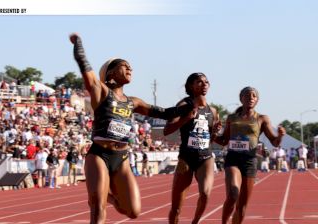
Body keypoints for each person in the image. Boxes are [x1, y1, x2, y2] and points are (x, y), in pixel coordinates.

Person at [70, 33, 194, 223]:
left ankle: (106, 196)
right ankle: (98, 196)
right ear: (110, 73)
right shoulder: (102, 92)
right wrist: (78, 46)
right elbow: (87, 73)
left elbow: (165, 113)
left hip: (122, 158)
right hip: (99, 155)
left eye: (131, 67)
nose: (130, 68)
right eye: (124, 65)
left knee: (132, 211)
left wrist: (189, 106)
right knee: (97, 210)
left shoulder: (133, 102)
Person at [214, 86, 286, 224]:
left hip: (249, 161)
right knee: (233, 195)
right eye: (247, 95)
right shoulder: (231, 118)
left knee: (242, 207)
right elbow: (223, 141)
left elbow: (275, 142)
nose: (250, 98)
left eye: (254, 96)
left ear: (257, 100)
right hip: (233, 159)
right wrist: (212, 133)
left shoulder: (262, 119)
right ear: (241, 98)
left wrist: (281, 136)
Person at [163, 73, 220, 224]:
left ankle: (195, 221)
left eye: (206, 82)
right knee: (176, 208)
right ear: (191, 86)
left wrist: (214, 133)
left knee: (205, 194)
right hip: (186, 159)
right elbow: (167, 130)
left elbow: (210, 140)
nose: (204, 84)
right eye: (199, 82)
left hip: (205, 157)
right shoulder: (183, 105)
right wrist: (186, 119)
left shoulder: (213, 111)